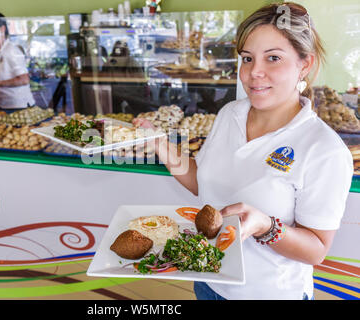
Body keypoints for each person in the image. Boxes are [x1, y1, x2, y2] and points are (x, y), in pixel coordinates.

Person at [133, 2, 353, 300]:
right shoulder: (230, 114)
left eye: (273, 58)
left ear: (305, 64)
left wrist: (266, 226)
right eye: (247, 59)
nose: (253, 73)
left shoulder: (324, 149)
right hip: (208, 281)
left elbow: (316, 250)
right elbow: (203, 181)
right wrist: (159, 142)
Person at [0, 11, 35, 110]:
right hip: (2, 106)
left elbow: (24, 80)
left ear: (2, 29)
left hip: (19, 107)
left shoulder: (11, 50)